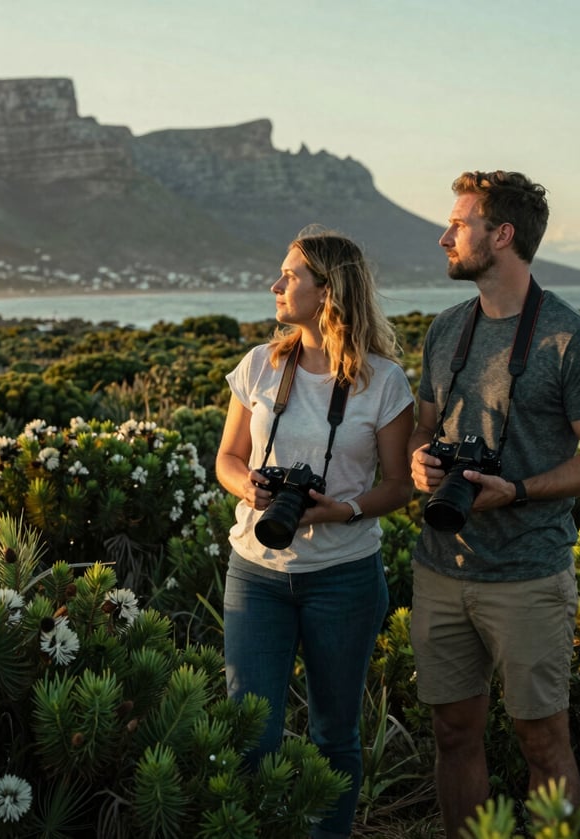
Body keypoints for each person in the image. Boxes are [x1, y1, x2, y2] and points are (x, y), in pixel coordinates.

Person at [408, 171, 580, 838]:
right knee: (452, 731)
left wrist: (521, 489)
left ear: (501, 235)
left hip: (529, 573)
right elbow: (423, 422)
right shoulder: (447, 330)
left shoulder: (570, 338)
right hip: (442, 567)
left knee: (542, 739)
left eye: (459, 224)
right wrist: (420, 458)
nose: (444, 236)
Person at [216, 229, 414, 839]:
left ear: (327, 292)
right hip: (257, 574)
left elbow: (399, 486)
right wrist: (250, 489)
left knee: (334, 734)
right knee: (252, 734)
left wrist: (341, 510)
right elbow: (227, 457)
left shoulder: (383, 382)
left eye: (290, 278)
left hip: (344, 578)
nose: (276, 287)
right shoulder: (259, 365)